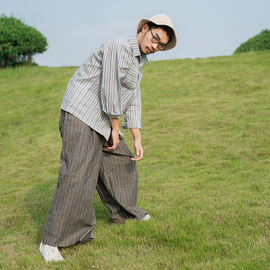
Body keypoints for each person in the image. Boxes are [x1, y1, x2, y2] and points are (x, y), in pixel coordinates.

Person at [39, 14, 177, 262]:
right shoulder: (118, 47)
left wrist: (136, 135)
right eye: (154, 38)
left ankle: (124, 213)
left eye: (160, 45)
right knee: (77, 175)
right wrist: (115, 127)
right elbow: (110, 90)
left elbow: (133, 97)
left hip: (102, 119)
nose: (155, 46)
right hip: (82, 114)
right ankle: (51, 241)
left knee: (121, 160)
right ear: (145, 28)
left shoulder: (138, 61)